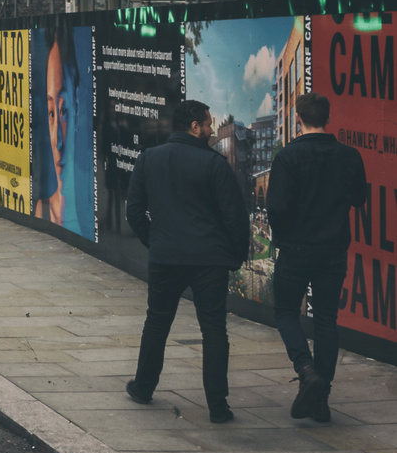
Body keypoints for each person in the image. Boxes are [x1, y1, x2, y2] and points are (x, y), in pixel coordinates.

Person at [123, 99, 248, 424]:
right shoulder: (214, 164)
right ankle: (218, 406)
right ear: (194, 126)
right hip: (209, 259)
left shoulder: (150, 158)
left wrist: (156, 241)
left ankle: (143, 388)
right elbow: (234, 216)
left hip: (166, 257)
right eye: (207, 123)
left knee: (157, 323)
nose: (210, 128)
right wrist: (235, 255)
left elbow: (134, 211)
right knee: (214, 329)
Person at [266, 92, 369, 424]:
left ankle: (306, 370)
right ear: (328, 118)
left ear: (298, 118)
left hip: (296, 250)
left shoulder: (287, 157)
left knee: (284, 313)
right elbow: (359, 198)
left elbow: (277, 208)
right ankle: (320, 401)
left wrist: (285, 233)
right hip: (333, 250)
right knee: (326, 320)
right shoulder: (349, 155)